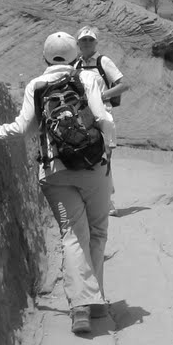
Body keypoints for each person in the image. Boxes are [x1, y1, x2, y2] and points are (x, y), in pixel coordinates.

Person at [0, 31, 115, 336]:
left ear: (46, 57)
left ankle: (81, 307)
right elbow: (103, 118)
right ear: (75, 56)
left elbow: (23, 129)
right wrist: (108, 147)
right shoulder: (87, 79)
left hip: (54, 171)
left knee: (72, 235)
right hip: (93, 167)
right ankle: (94, 299)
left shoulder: (36, 85)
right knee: (97, 232)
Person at [73, 27, 130, 215]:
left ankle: (107, 200)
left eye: (90, 40)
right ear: (78, 43)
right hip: (82, 116)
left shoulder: (102, 61)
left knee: (104, 157)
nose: (87, 43)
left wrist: (100, 95)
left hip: (102, 115)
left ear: (95, 43)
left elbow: (123, 84)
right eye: (83, 40)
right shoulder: (75, 65)